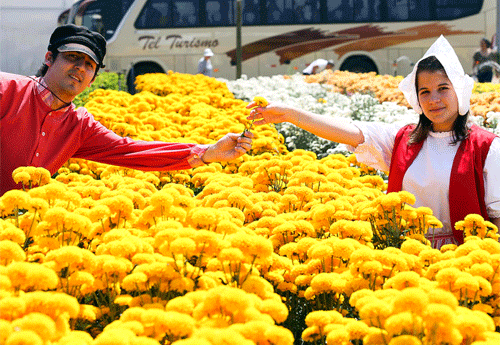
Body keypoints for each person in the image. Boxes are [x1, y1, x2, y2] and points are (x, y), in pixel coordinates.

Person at [247, 35, 500, 248]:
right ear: (416, 98)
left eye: (443, 88)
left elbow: (497, 220)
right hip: (406, 258)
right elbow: (350, 132)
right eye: (425, 91)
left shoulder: (487, 147)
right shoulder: (404, 140)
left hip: (464, 261)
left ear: (460, 90)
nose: (433, 99)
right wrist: (293, 115)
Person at [0, 24, 253, 195]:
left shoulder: (79, 125)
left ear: (93, 79)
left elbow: (130, 151)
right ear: (49, 58)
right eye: (72, 57)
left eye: (89, 65)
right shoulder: (7, 90)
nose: (79, 67)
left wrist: (207, 152)